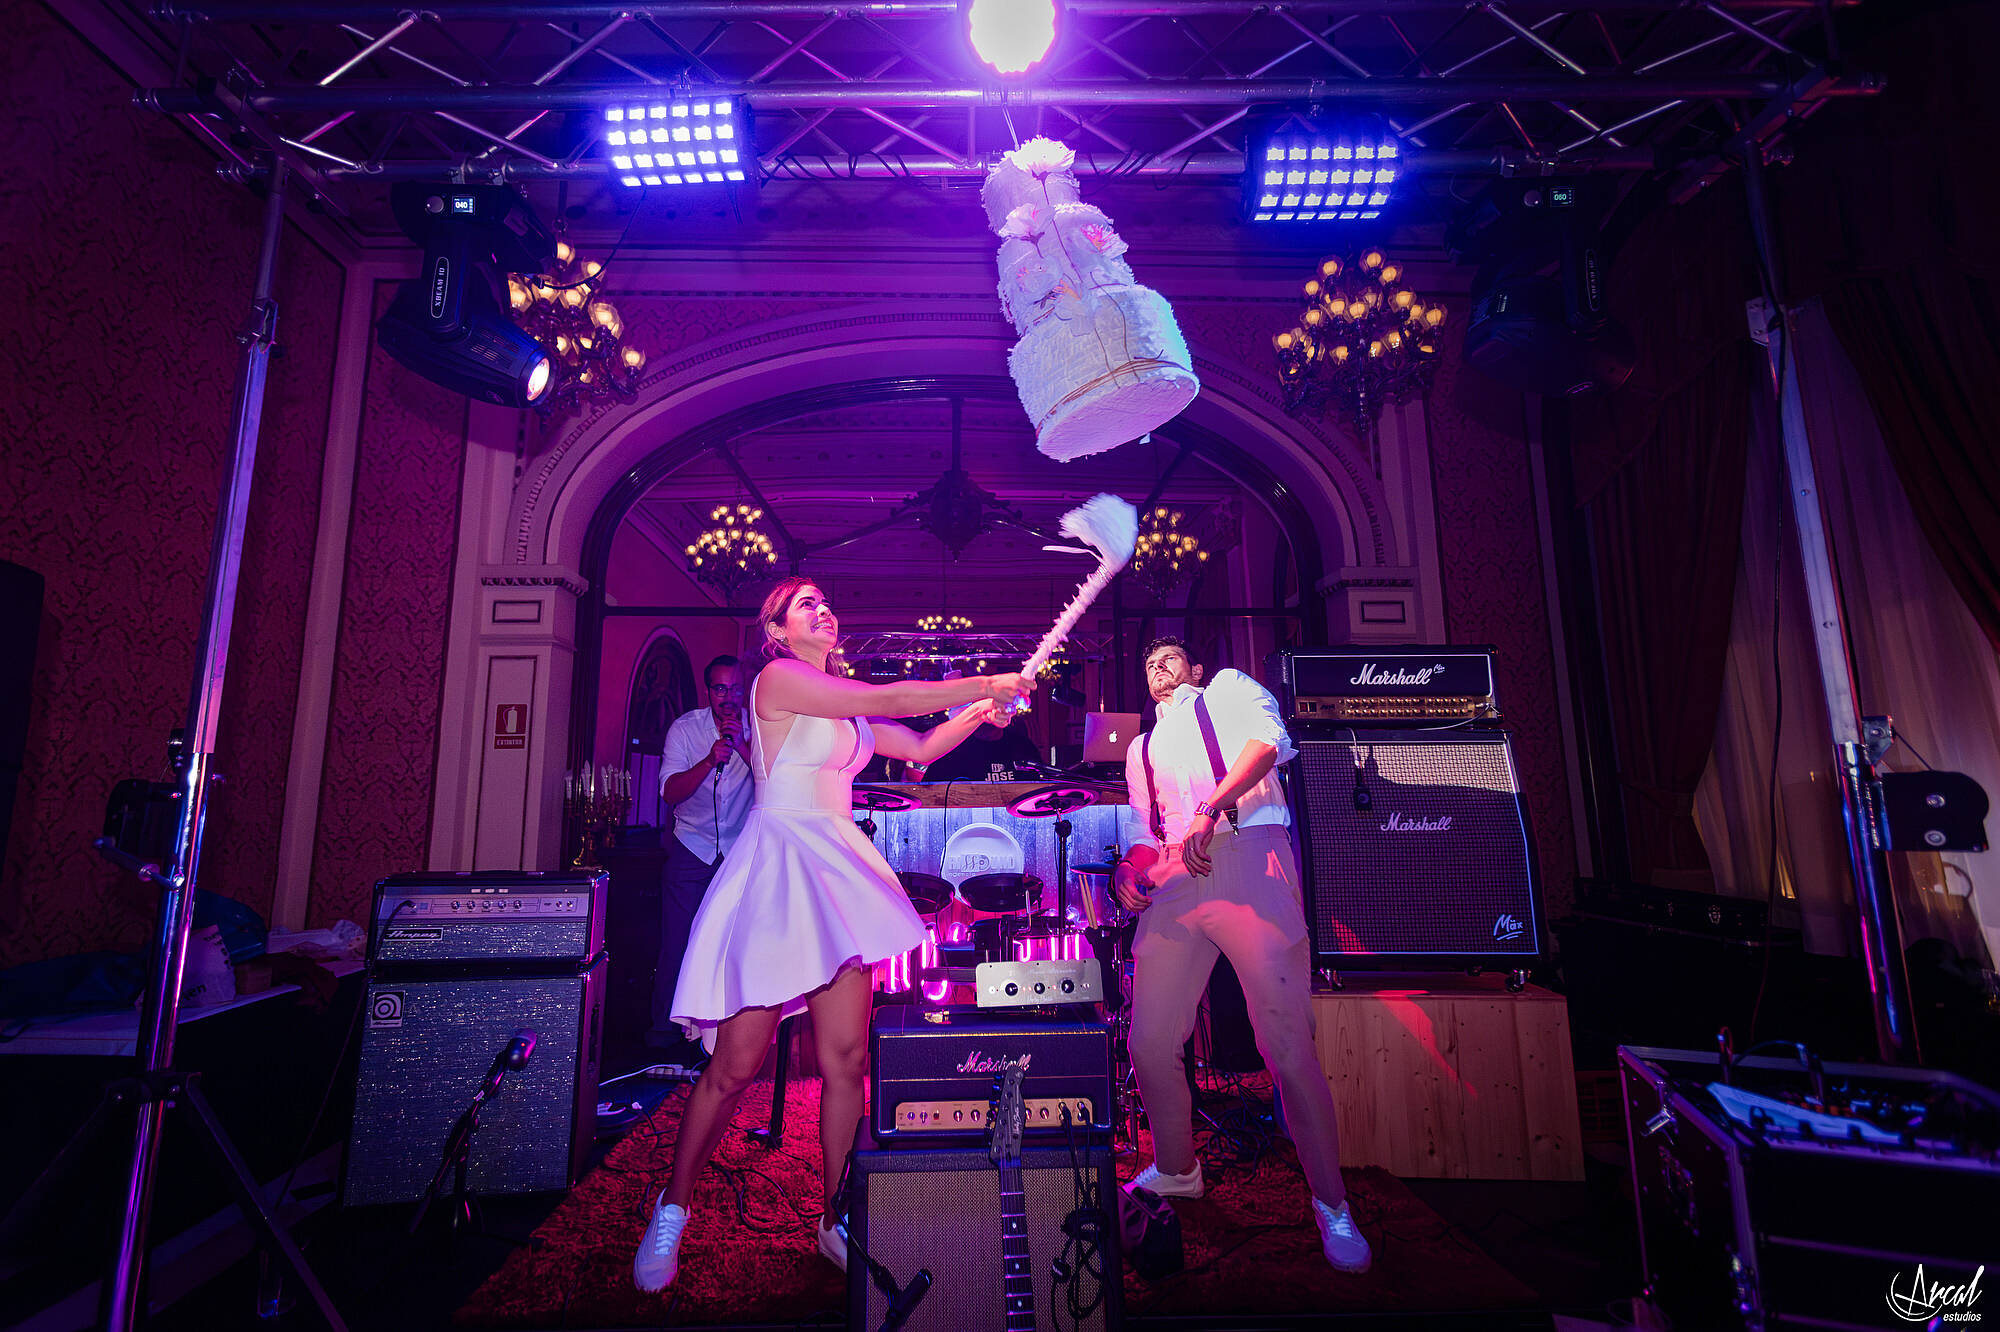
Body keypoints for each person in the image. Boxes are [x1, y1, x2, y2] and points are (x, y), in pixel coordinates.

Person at [633, 576, 1035, 1293]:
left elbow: (920, 744)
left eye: (824, 602)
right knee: (735, 1068)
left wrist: (980, 711)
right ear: (777, 632)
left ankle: (831, 1216)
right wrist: (986, 679)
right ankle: (673, 1206)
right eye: (805, 605)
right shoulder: (779, 680)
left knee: (847, 1060)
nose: (823, 610)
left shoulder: (842, 707)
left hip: (837, 864)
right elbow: (892, 699)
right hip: (780, 867)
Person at [1112, 635, 1371, 1274]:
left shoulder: (1226, 689)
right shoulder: (1140, 748)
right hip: (1177, 875)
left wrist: (1211, 807)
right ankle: (1177, 1169)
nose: (1158, 667)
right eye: (1149, 663)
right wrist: (1131, 865)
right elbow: (1146, 827)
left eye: (1170, 658)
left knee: (1284, 1041)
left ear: (1194, 667)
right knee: (1149, 1040)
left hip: (1247, 854)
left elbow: (1267, 745)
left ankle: (1331, 1203)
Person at [650, 654, 752, 1062]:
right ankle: (665, 1033)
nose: (728, 697)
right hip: (692, 845)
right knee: (678, 940)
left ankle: (726, 1033)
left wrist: (742, 746)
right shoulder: (685, 729)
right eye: (719, 688)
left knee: (734, 944)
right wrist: (710, 759)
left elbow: (776, 781)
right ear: (708, 691)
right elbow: (670, 792)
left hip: (741, 849)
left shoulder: (761, 728)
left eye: (735, 688)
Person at [905, 703, 1043, 781]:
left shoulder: (1022, 746)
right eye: (988, 710)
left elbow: (1037, 786)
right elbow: (931, 790)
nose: (992, 714)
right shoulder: (953, 748)